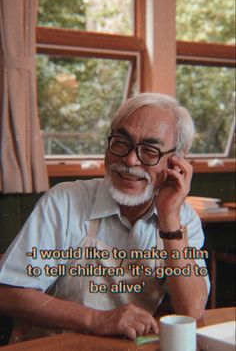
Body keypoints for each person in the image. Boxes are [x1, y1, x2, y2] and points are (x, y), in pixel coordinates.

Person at [0, 93, 210, 341]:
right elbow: (9, 293)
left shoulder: (182, 218)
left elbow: (192, 310)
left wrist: (169, 219)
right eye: (121, 142)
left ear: (177, 160)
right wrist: (96, 319)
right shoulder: (64, 201)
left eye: (150, 150)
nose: (131, 159)